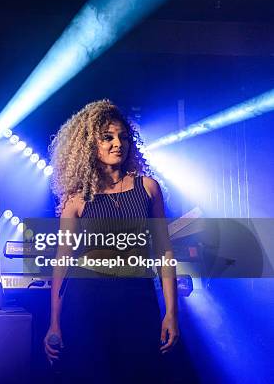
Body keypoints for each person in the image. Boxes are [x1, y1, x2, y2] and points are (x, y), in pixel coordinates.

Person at [44, 100, 179, 383]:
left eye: (123, 137)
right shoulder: (76, 199)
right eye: (108, 137)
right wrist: (54, 323)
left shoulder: (148, 187)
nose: (118, 143)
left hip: (137, 302)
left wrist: (171, 313)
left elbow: (164, 252)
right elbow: (62, 263)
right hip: (87, 305)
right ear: (89, 144)